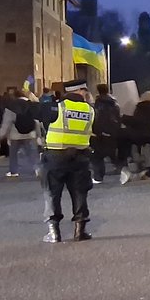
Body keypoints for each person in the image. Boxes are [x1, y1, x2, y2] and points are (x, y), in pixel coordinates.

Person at [37, 82, 94, 242]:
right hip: (80, 157)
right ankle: (79, 231)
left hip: (56, 156)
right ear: (80, 91)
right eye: (85, 90)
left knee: (52, 193)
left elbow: (38, 116)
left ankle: (54, 232)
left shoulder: (56, 107)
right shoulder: (89, 109)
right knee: (80, 193)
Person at [120, 92, 150, 184]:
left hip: (137, 134)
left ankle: (141, 169)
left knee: (135, 152)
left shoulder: (139, 108)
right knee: (147, 153)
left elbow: (136, 121)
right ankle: (147, 172)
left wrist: (124, 118)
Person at [0, 92, 39, 177]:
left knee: (13, 155)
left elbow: (7, 122)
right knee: (31, 153)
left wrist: (2, 135)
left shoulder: (11, 107)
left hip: (15, 136)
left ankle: (14, 171)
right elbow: (37, 121)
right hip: (30, 134)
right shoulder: (32, 106)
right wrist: (39, 135)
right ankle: (35, 168)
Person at [90, 84, 123, 184]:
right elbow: (118, 117)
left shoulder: (98, 104)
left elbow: (97, 118)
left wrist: (95, 130)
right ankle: (122, 170)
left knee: (97, 156)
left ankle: (99, 176)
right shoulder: (114, 103)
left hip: (100, 132)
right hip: (112, 131)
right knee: (112, 153)